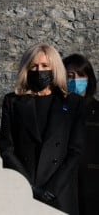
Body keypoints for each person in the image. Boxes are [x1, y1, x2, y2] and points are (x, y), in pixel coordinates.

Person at [0, 43, 85, 214]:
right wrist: (30, 187)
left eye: (45, 66)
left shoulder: (73, 103)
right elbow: (7, 149)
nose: (39, 70)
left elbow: (75, 151)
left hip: (59, 193)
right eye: (34, 66)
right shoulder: (13, 102)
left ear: (54, 68)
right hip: (23, 190)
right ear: (26, 69)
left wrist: (51, 189)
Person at [63, 54, 99, 215]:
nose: (75, 80)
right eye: (70, 76)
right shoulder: (58, 110)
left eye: (80, 75)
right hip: (64, 185)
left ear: (89, 79)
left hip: (93, 186)